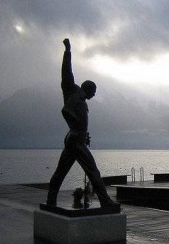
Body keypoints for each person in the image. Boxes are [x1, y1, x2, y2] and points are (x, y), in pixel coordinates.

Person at [46, 38, 117, 208]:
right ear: (89, 89)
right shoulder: (72, 93)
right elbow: (66, 73)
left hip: (75, 139)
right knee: (93, 171)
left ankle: (51, 200)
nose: (94, 95)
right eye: (94, 91)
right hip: (75, 140)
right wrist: (68, 51)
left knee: (60, 173)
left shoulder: (82, 100)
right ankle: (105, 201)